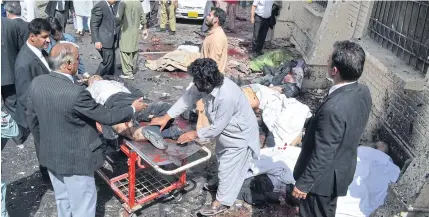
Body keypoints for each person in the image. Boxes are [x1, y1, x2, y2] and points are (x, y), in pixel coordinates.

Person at [26, 43, 147, 217]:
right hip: (76, 162)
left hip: (50, 156)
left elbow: (31, 118)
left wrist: (43, 143)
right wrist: (133, 108)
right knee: (83, 206)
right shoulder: (76, 93)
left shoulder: (37, 82)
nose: (79, 62)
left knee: (63, 200)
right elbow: (107, 117)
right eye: (77, 59)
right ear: (68, 64)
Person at [150, 58, 260, 216]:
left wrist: (194, 134)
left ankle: (221, 203)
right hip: (226, 133)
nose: (194, 83)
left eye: (196, 80)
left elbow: (217, 127)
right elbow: (187, 99)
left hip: (239, 136)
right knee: (222, 160)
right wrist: (166, 117)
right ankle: (223, 186)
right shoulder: (204, 85)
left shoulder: (226, 96)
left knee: (228, 169)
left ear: (206, 82)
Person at [292, 41, 372, 217]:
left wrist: (304, 183)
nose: (327, 61)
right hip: (341, 169)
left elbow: (323, 153)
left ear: (334, 70)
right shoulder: (363, 91)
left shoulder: (333, 109)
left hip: (322, 181)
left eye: (329, 59)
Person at [14, 18, 52, 179]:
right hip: (40, 115)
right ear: (32, 36)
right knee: (44, 145)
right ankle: (47, 174)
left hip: (48, 109)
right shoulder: (24, 62)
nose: (48, 40)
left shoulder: (39, 51)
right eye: (44, 37)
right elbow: (25, 97)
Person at [116, 0, 149, 80]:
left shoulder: (123, 3)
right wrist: (145, 29)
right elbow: (143, 18)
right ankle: (132, 68)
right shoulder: (138, 2)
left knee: (124, 51)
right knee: (134, 50)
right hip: (135, 31)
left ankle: (128, 73)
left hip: (125, 31)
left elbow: (118, 18)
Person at [1, 17, 21, 141]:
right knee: (12, 105)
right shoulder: (11, 24)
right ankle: (17, 136)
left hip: (8, 72)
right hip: (9, 72)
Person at [91, 0, 120, 76]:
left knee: (111, 62)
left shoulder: (111, 6)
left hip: (111, 40)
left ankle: (109, 78)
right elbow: (94, 25)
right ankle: (96, 79)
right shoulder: (100, 6)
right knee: (107, 62)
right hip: (104, 41)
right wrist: (96, 40)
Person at [201, 7, 228, 74]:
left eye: (210, 15)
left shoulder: (216, 39)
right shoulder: (215, 33)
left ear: (216, 19)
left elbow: (212, 65)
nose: (207, 17)